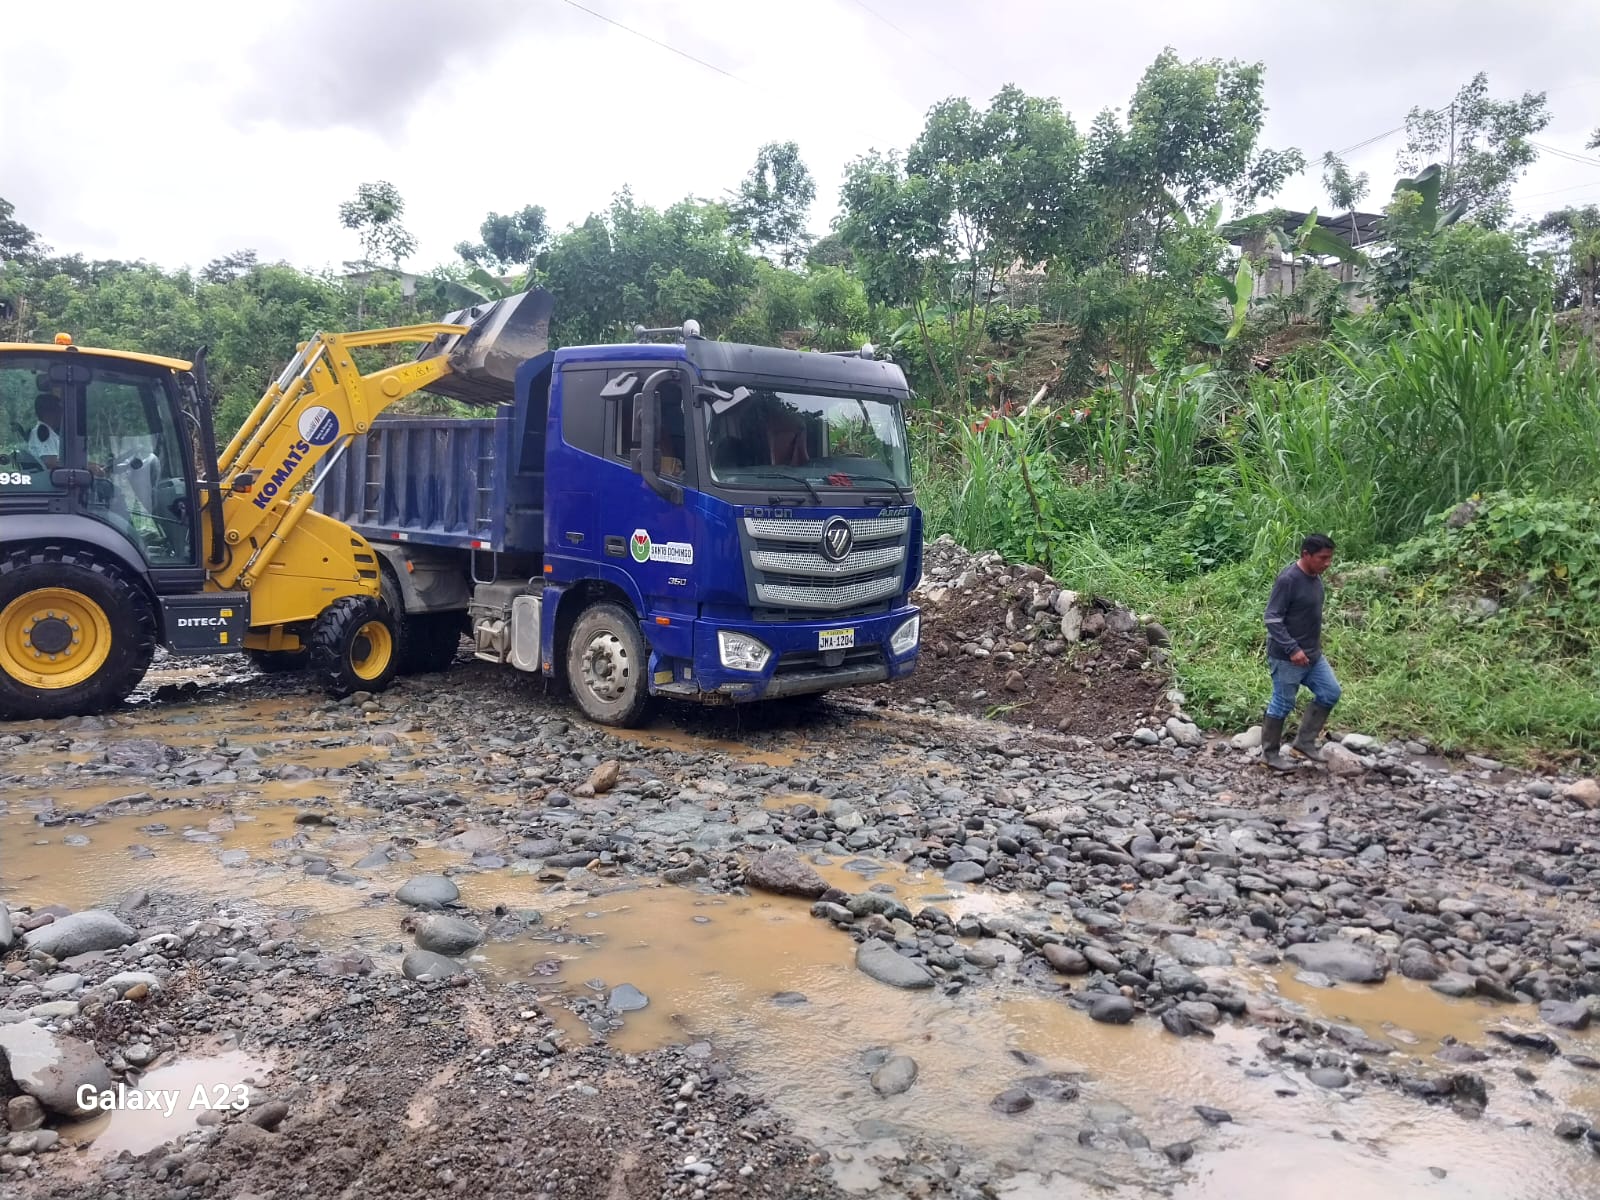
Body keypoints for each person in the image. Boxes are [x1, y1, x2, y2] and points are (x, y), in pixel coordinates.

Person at [1260, 533, 1340, 770]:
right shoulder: (1289, 580)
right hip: (1286, 657)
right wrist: (1292, 648)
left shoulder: (1315, 578)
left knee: (1330, 692)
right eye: (1322, 558)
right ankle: (1269, 755)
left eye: (1330, 558)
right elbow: (1272, 618)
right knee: (1283, 702)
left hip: (1312, 656)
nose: (1327, 563)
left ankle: (1304, 742)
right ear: (1306, 554)